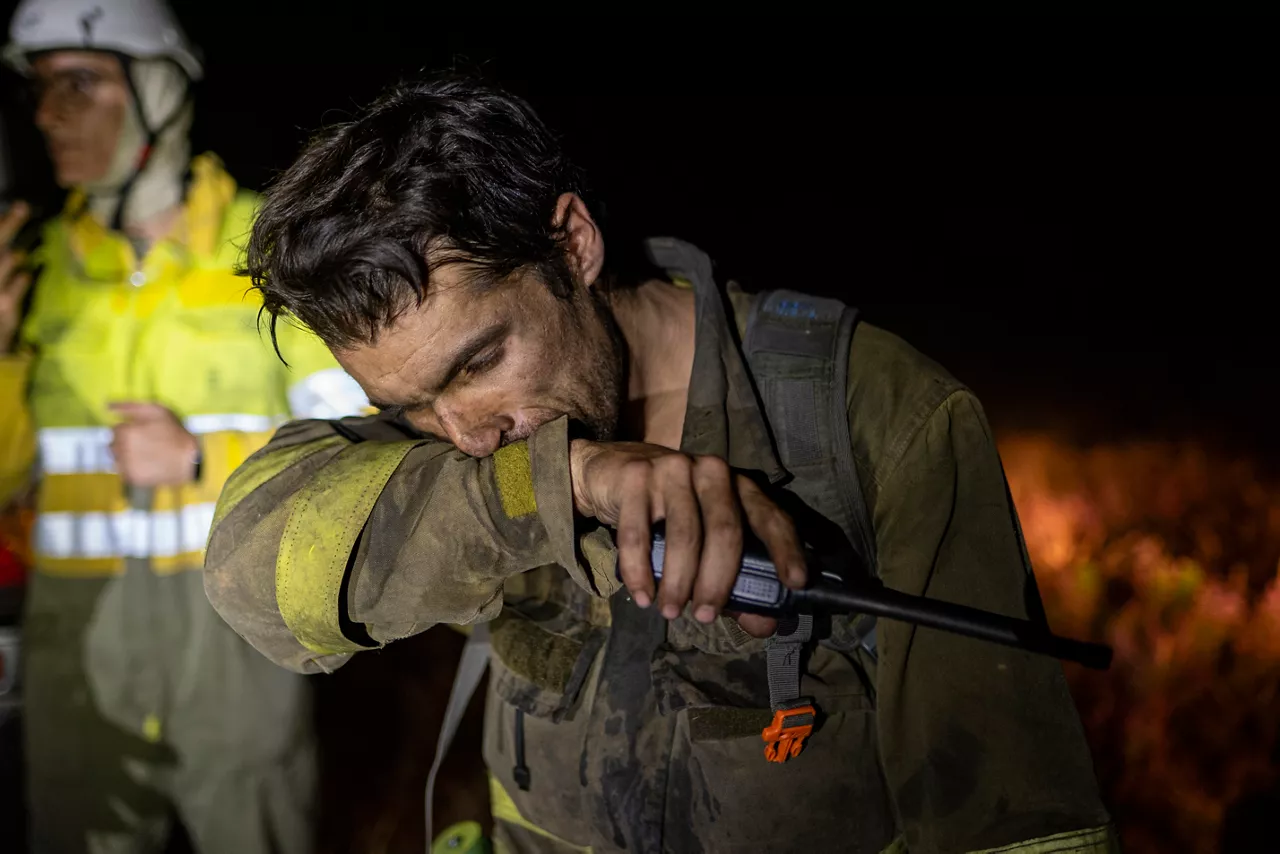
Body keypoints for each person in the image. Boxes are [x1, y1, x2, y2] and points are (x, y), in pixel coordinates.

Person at [204, 75, 1119, 854]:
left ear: (573, 244)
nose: (465, 435)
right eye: (407, 406)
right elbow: (254, 579)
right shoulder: (461, 442)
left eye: (478, 363)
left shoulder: (875, 415)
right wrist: (561, 481)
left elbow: (1013, 818)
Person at [0, 0, 369, 851]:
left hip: (235, 641)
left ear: (159, 90)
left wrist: (207, 457)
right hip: (81, 658)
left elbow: (367, 440)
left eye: (79, 82)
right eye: (39, 89)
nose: (49, 113)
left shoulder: (272, 249)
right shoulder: (34, 271)